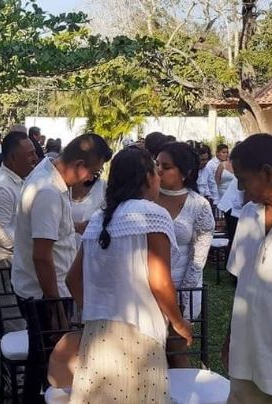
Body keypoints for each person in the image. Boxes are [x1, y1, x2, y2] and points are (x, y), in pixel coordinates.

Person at [66, 146, 192, 403]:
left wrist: (97, 308)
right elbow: (159, 281)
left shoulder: (99, 219)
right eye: (156, 172)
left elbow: (72, 279)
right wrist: (179, 323)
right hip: (139, 335)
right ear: (147, 178)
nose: (159, 179)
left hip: (97, 334)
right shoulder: (154, 214)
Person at [12, 133, 112, 403]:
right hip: (45, 293)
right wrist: (55, 304)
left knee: (41, 360)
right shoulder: (47, 191)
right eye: (93, 171)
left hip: (44, 289)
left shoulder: (50, 174)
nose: (90, 178)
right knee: (53, 367)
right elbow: (42, 256)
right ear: (79, 165)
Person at [222, 134, 272, 403]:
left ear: (266, 173)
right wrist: (230, 336)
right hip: (247, 356)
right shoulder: (247, 216)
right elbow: (243, 285)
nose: (240, 188)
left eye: (243, 179)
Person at [0, 130, 38, 380]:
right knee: (11, 323)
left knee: (11, 322)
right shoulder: (4, 187)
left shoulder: (18, 180)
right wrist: (29, 248)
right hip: (3, 263)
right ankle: (12, 378)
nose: (35, 158)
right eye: (30, 154)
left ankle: (0, 373)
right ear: (13, 159)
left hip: (13, 261)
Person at [156, 142, 214, 367]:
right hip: (149, 287)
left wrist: (181, 301)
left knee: (177, 352)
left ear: (185, 173)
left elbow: (198, 260)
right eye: (157, 164)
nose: (158, 170)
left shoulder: (198, 205)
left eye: (166, 166)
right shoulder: (147, 199)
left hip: (183, 287)